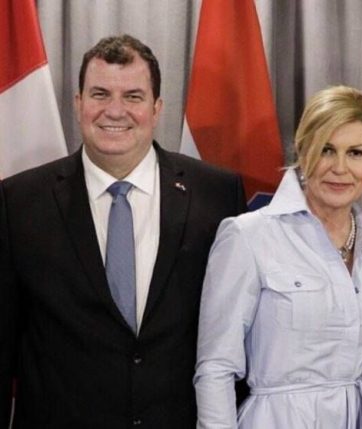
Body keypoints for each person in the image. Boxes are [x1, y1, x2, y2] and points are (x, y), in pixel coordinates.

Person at [0, 34, 246, 428]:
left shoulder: (217, 195)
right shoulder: (18, 202)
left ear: (156, 108)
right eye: (100, 94)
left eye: (133, 96)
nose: (115, 111)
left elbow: (236, 339)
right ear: (78, 103)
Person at [194, 85, 362, 428]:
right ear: (303, 151)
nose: (340, 168)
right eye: (327, 149)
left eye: (356, 153)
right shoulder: (249, 236)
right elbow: (215, 368)